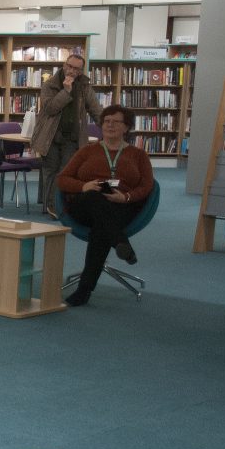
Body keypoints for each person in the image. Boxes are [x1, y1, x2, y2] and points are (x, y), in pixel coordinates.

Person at [56, 104, 154, 307]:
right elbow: (62, 179)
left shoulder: (138, 155)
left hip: (120, 206)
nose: (109, 125)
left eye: (115, 121)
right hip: (85, 205)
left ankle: (84, 290)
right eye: (106, 121)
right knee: (95, 199)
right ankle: (120, 242)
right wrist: (84, 186)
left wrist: (125, 197)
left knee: (102, 229)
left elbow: (147, 186)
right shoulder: (87, 151)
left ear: (126, 127)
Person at [31, 53, 103, 217]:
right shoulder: (50, 84)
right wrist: (66, 91)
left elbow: (95, 109)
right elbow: (50, 108)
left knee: (65, 171)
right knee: (51, 170)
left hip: (72, 137)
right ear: (64, 65)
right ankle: (52, 205)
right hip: (50, 136)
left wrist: (107, 125)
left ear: (80, 71)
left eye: (76, 68)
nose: (71, 71)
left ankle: (56, 204)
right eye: (69, 66)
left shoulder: (84, 86)